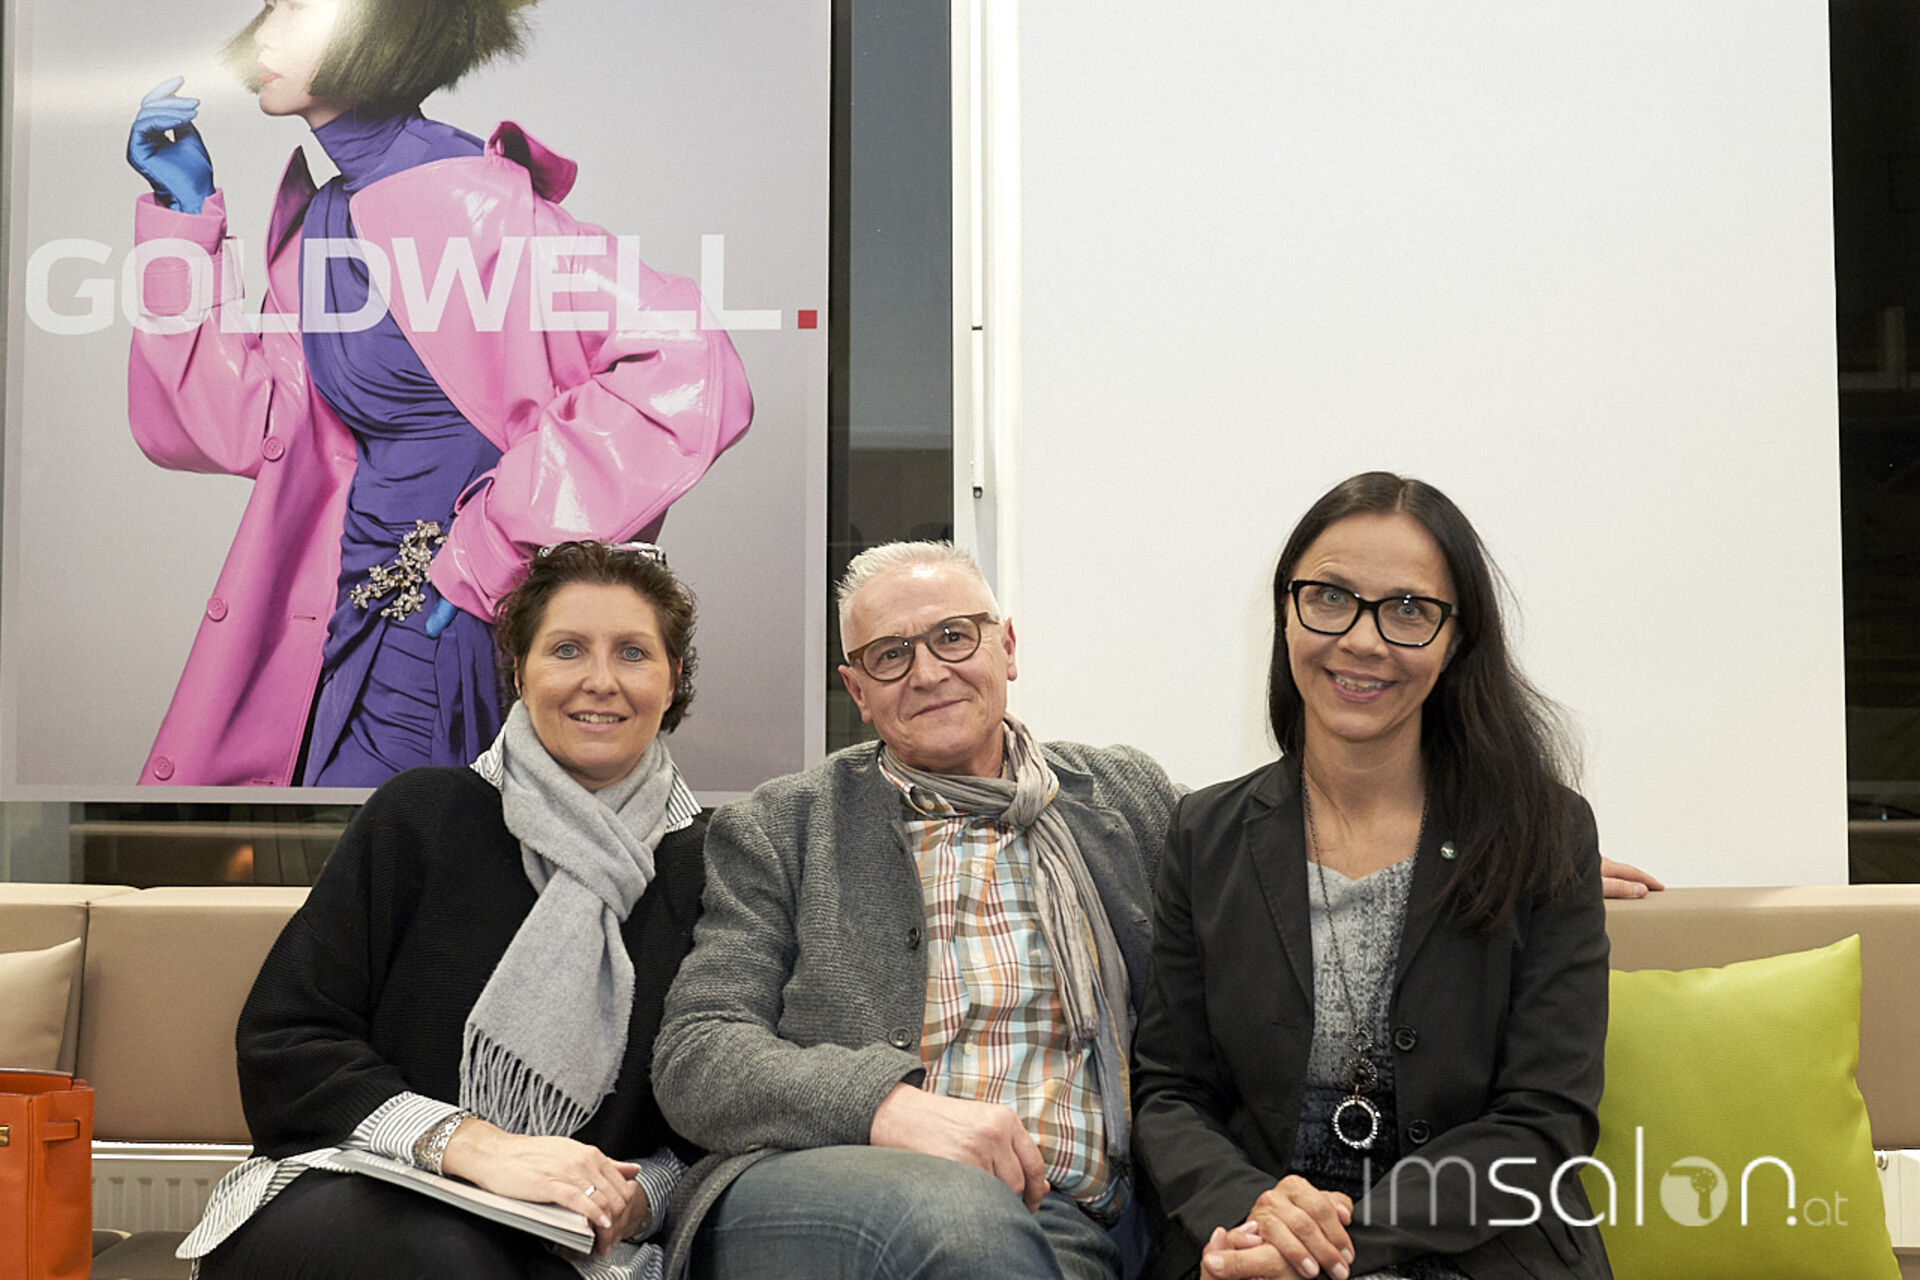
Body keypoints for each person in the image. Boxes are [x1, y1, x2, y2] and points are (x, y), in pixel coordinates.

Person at [122, 0, 752, 787]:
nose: (267, 31)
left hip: (435, 635)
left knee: (395, 848)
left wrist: (494, 544)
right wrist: (184, 219)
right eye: (271, 5)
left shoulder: (468, 202)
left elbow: (689, 359)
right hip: (336, 618)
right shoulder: (330, 213)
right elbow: (246, 426)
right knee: (336, 847)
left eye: (300, 7)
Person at [178, 541, 708, 1279]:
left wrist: (635, 1198)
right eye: (566, 649)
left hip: (575, 1242)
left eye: (633, 653)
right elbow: (288, 1042)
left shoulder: (716, 866)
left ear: (673, 678)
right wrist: (470, 1146)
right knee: (447, 1258)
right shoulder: (419, 816)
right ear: (519, 671)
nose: (600, 680)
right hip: (358, 1191)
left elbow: (719, 1116)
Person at [1132, 472, 1614, 1280]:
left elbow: (1544, 1119)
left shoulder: (1542, 834)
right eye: (1330, 598)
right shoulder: (1204, 835)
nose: (1362, 639)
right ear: (1287, 612)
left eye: (1409, 610)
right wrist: (1252, 1212)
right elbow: (1171, 1092)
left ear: (1457, 637)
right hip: (1251, 1250)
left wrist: (1335, 1240)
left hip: (1476, 1253)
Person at [652, 541, 1179, 1280]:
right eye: (890, 655)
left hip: (1059, 1210)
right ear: (857, 690)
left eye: (954, 636)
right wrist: (886, 1106)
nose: (928, 673)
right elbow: (698, 1053)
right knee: (958, 1221)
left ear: (1007, 647)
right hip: (823, 1183)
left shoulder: (1128, 800)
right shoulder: (785, 826)